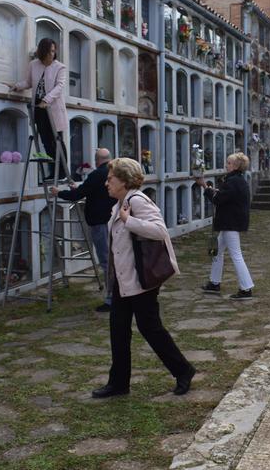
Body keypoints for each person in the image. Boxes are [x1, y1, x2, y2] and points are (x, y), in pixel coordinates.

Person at [92, 158, 195, 398]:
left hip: (140, 280)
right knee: (118, 331)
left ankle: (183, 370)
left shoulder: (137, 200)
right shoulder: (120, 203)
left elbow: (160, 230)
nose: (106, 183)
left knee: (150, 328)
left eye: (110, 179)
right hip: (123, 280)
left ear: (124, 180)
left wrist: (130, 221)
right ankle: (118, 383)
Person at [50, 148, 117, 312]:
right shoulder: (112, 172)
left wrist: (58, 193)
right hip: (109, 220)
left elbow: (77, 196)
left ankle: (112, 300)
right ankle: (116, 296)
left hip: (99, 223)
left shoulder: (96, 174)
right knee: (110, 260)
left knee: (106, 261)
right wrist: (78, 187)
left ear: (96, 160)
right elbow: (91, 191)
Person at [197, 153, 255, 300]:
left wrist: (205, 186)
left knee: (236, 255)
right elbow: (225, 196)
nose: (226, 165)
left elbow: (219, 199)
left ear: (236, 166)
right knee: (216, 252)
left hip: (230, 223)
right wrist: (211, 189)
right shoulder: (236, 180)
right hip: (230, 222)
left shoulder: (233, 181)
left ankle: (246, 288)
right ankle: (214, 282)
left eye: (229, 163)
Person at [10, 38, 68, 181]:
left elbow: (59, 87)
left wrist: (46, 99)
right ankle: (51, 171)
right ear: (42, 52)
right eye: (49, 51)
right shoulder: (34, 65)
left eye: (54, 51)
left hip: (52, 108)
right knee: (46, 141)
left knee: (57, 139)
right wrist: (17, 86)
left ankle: (62, 173)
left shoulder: (60, 67)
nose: (52, 55)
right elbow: (29, 82)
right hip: (39, 108)